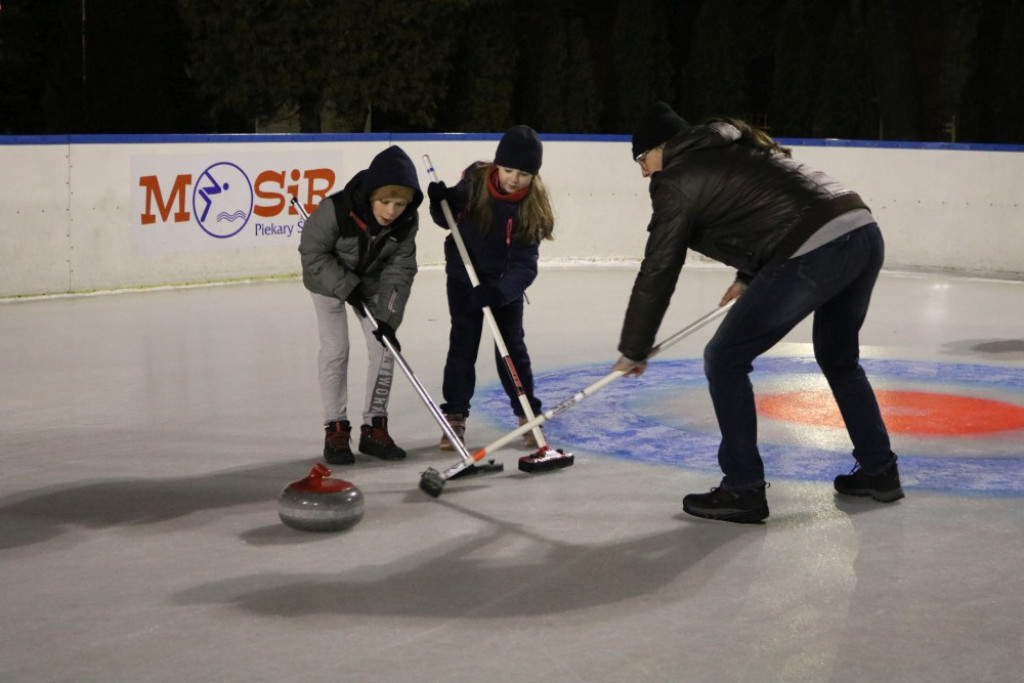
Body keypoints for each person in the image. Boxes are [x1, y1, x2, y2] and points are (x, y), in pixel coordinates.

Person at [614, 101, 902, 524]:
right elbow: (765, 208)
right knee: (839, 359)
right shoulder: (730, 147)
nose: (643, 171)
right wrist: (748, 276)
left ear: (663, 147)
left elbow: (659, 267)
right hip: (860, 230)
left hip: (815, 250)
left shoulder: (676, 179)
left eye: (643, 158)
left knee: (725, 358)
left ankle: (743, 487)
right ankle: (880, 470)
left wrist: (635, 346)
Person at [427, 125, 555, 450]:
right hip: (463, 278)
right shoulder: (474, 184)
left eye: (524, 174)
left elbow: (526, 265)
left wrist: (499, 291)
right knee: (463, 345)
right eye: (509, 169)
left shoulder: (533, 209)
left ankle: (528, 414)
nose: (514, 179)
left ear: (534, 176)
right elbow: (449, 219)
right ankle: (454, 415)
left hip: (502, 286)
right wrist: (439, 202)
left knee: (511, 349)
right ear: (498, 165)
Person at [299, 145, 422, 465]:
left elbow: (401, 268)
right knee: (336, 350)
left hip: (371, 283)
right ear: (371, 196)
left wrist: (388, 318)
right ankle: (336, 428)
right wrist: (343, 285)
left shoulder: (407, 221)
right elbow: (312, 253)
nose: (392, 211)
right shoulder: (336, 209)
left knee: (385, 348)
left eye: (400, 203)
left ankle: (374, 428)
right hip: (326, 282)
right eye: (385, 201)